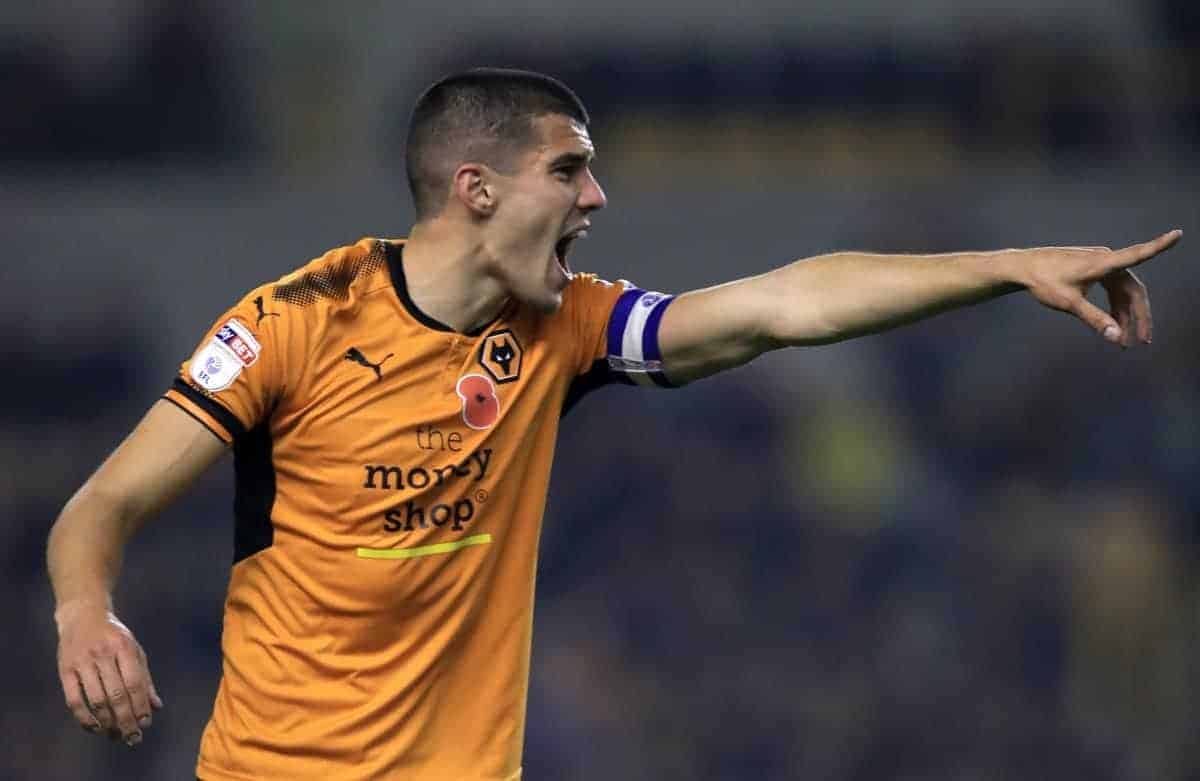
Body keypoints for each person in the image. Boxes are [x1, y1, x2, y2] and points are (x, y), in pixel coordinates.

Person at [47, 67, 1180, 780]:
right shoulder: (293, 322)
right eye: (571, 169)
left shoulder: (568, 327)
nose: (597, 199)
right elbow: (103, 502)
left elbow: (785, 303)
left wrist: (1012, 267)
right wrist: (88, 614)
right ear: (477, 189)